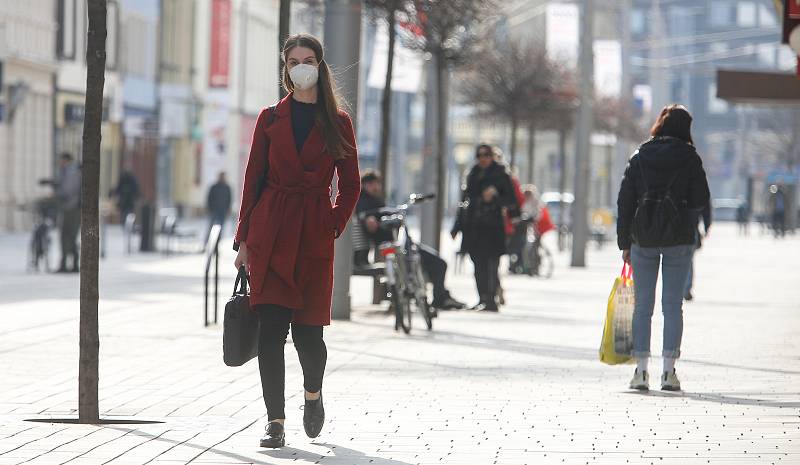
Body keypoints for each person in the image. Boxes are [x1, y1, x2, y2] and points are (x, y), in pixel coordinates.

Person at [232, 34, 360, 448]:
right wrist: (244, 241)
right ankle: (275, 421)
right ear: (285, 69)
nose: (300, 67)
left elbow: (352, 182)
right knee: (271, 331)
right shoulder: (269, 118)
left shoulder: (338, 122)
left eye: (307, 60)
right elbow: (252, 181)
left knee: (309, 336)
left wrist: (333, 222)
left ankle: (313, 395)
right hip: (270, 231)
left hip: (313, 237)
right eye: (292, 61)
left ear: (320, 66)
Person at [617, 104, 710, 392]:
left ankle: (641, 372)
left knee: (642, 306)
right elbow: (701, 198)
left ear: (660, 124)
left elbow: (625, 201)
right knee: (673, 306)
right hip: (679, 239)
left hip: (643, 238)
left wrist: (624, 242)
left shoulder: (640, 155)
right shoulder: (690, 157)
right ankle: (668, 372)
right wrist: (685, 217)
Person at [354, 170, 465, 310]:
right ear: (363, 185)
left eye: (377, 183)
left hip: (399, 245)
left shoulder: (372, 201)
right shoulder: (364, 201)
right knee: (440, 264)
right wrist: (369, 218)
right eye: (370, 184)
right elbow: (365, 216)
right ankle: (440, 299)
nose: (375, 186)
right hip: (395, 247)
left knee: (436, 263)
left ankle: (442, 296)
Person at [451, 144, 519, 312]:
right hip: (474, 227)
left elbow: (511, 201)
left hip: (493, 227)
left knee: (491, 264)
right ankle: (482, 298)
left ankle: (491, 300)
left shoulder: (501, 175)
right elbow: (464, 203)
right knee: (477, 263)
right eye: (480, 155)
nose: (483, 158)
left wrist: (495, 196)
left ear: (491, 156)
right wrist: (456, 227)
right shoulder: (472, 174)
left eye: (486, 155)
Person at [49, 152, 81, 273]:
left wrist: (56, 193)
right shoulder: (68, 171)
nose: (60, 163)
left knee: (68, 236)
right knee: (67, 236)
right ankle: (69, 263)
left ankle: (71, 264)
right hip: (69, 208)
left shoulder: (71, 172)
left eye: (61, 160)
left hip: (71, 208)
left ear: (66, 160)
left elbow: (67, 190)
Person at [684, 202, 711, 302]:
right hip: (691, 228)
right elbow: (705, 206)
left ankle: (682, 288)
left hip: (675, 227)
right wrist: (707, 225)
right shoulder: (697, 186)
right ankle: (686, 288)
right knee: (688, 260)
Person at [205, 172, 232, 243]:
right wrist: (210, 209)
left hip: (223, 212)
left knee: (220, 230)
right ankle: (207, 244)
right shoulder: (214, 187)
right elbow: (209, 198)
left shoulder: (227, 187)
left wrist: (228, 210)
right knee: (210, 229)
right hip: (214, 211)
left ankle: (217, 246)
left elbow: (229, 199)